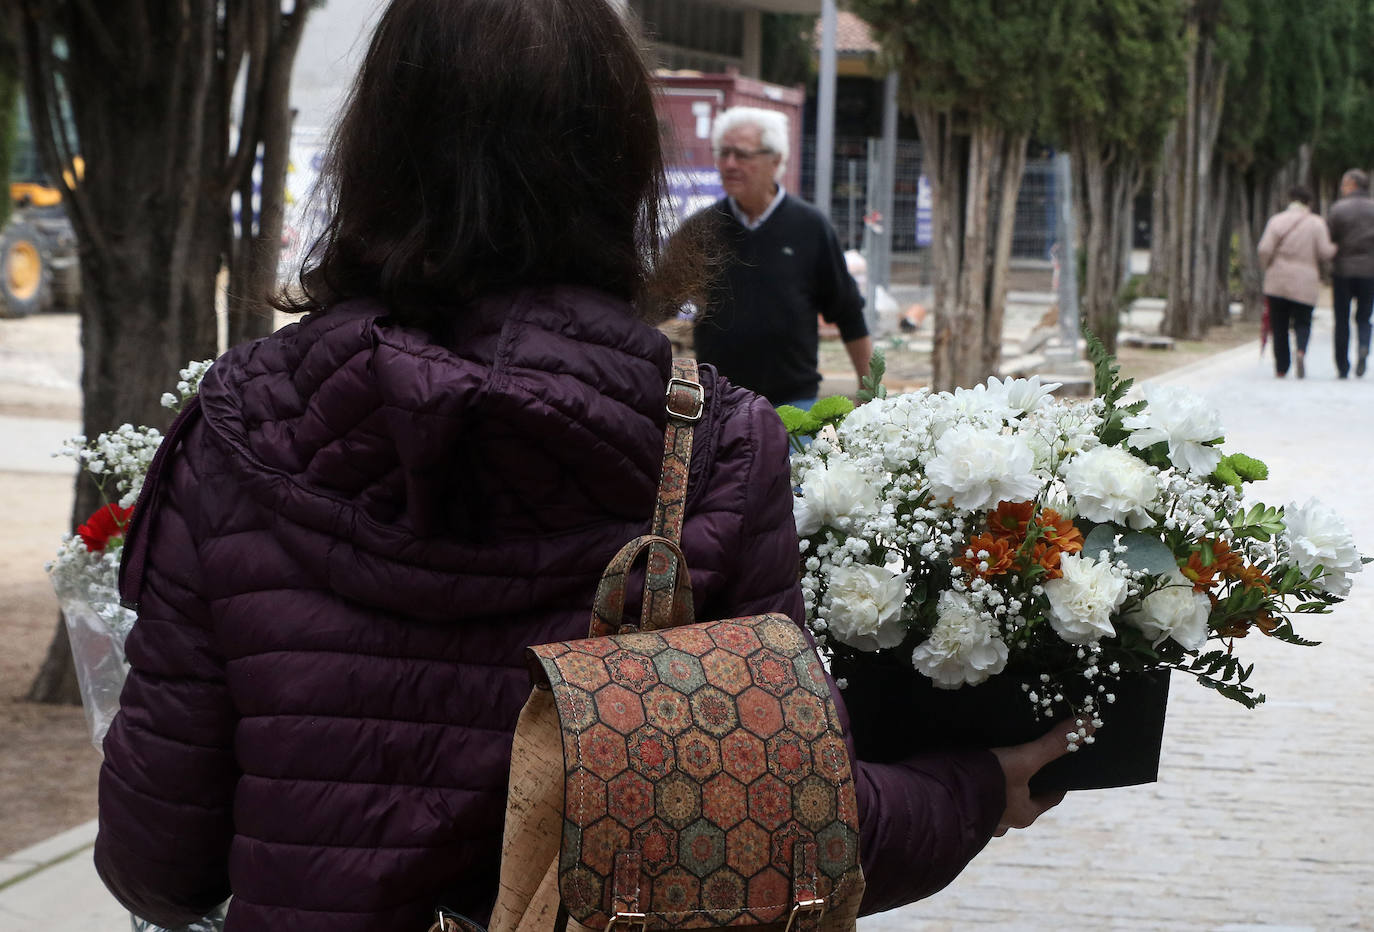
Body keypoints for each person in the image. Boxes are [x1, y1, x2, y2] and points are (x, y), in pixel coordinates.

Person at [92, 2, 1071, 930]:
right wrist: (978, 786)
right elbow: (792, 823)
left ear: (376, 152)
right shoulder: (715, 445)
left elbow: (157, 860)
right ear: (624, 166)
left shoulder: (237, 426)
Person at [678, 106, 872, 409]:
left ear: (776, 160)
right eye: (723, 153)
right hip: (717, 405)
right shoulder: (701, 229)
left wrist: (868, 392)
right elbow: (660, 304)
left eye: (742, 155)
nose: (729, 164)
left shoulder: (810, 227)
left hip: (794, 407)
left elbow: (848, 313)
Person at [1258, 186, 1335, 379]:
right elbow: (1326, 252)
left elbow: (1264, 249)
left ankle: (1281, 368)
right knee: (1303, 321)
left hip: (1278, 279)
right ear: (1309, 202)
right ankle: (1300, 350)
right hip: (1305, 280)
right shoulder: (1316, 223)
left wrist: (1268, 266)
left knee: (1279, 324)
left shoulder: (1277, 221)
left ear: (1290, 200)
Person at [1326, 168, 1374, 377]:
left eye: (1344, 184)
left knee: (1342, 319)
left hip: (1343, 270)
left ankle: (1342, 366)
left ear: (1353, 185)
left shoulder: (1338, 209)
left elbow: (1329, 238)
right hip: (1369, 272)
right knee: (1364, 316)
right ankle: (1363, 345)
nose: (1342, 188)